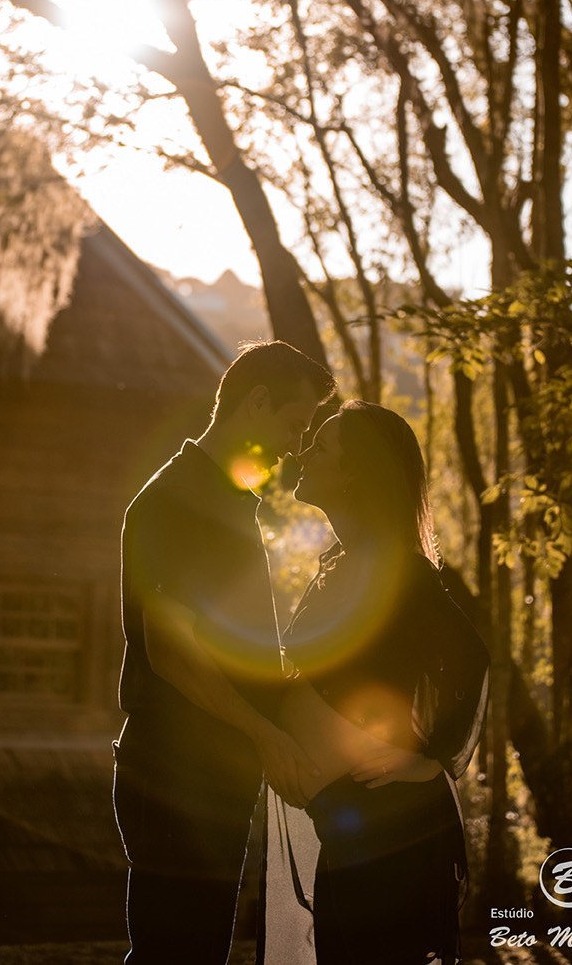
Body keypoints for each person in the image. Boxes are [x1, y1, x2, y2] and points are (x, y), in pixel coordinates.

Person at [114, 341, 336, 965]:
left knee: (200, 949)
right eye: (295, 424)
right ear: (256, 402)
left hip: (214, 770)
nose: (298, 446)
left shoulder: (235, 503)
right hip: (173, 773)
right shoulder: (173, 502)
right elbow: (174, 653)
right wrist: (264, 734)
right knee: (174, 952)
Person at [267, 401, 489, 965]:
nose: (301, 455)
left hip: (395, 836)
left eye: (320, 448)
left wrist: (431, 758)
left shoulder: (397, 571)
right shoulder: (346, 564)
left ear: (355, 473)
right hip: (353, 833)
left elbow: (473, 659)